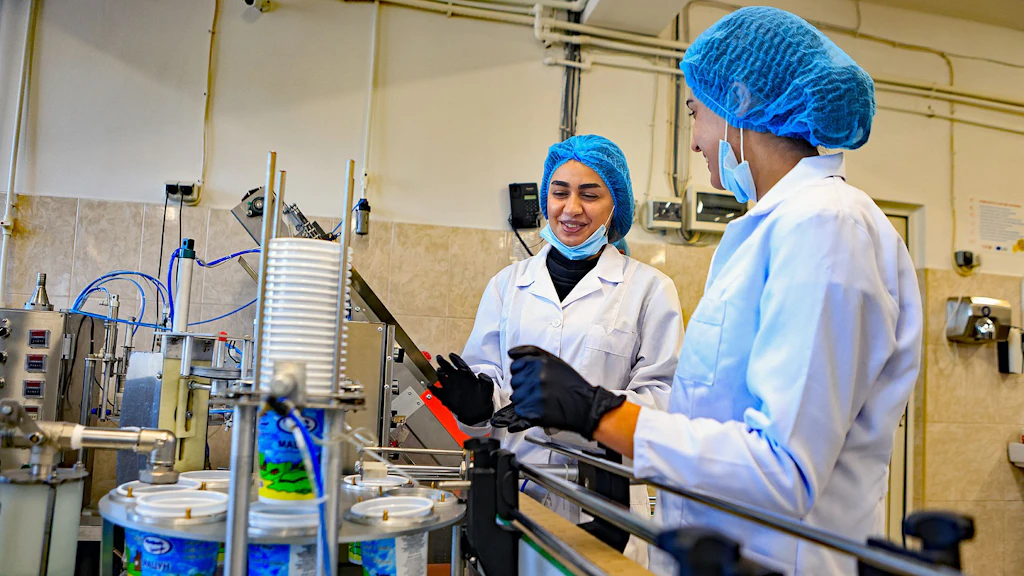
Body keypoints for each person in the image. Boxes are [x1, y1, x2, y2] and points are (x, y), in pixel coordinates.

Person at [506, 7, 923, 575]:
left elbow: (785, 469)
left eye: (696, 113)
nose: (698, 139)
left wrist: (602, 415)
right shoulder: (769, 228)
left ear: (741, 104)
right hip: (719, 553)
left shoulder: (827, 226)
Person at [429, 134, 683, 565]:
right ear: (545, 198)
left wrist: (581, 411)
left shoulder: (650, 290)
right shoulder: (507, 285)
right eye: (560, 192)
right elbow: (487, 377)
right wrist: (475, 406)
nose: (571, 208)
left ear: (614, 206)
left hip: (606, 505)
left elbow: (664, 397)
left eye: (590, 194)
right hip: (516, 494)